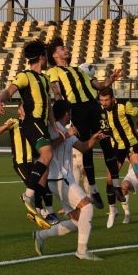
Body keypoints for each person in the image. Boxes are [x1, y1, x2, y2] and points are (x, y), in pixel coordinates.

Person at [46, 36, 124, 209]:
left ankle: (116, 185)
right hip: (77, 110)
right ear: (54, 55)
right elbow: (57, 92)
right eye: (61, 48)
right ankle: (94, 191)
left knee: (106, 144)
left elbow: (98, 85)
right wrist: (64, 112)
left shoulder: (80, 70)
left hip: (94, 107)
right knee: (87, 147)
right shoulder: (53, 71)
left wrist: (110, 80)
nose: (65, 49)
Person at [33, 100, 105, 261]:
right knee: (87, 207)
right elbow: (48, 148)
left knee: (77, 220)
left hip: (63, 179)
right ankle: (81, 251)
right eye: (70, 112)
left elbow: (83, 147)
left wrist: (94, 138)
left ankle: (41, 235)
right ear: (67, 113)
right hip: (59, 178)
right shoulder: (52, 129)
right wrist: (67, 134)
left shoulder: (66, 130)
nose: (71, 115)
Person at [0, 39, 61, 217]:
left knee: (44, 167)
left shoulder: (45, 78)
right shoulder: (25, 75)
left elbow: (47, 103)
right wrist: (0, 100)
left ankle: (40, 208)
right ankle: (29, 195)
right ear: (41, 57)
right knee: (48, 154)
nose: (47, 59)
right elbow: (10, 90)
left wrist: (54, 124)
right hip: (32, 121)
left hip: (43, 123)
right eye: (45, 56)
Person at [98, 87, 138, 228]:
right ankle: (112, 211)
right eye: (101, 100)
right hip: (117, 148)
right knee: (109, 179)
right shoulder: (100, 111)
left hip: (132, 145)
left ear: (113, 98)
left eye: (106, 100)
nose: (104, 103)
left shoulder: (124, 105)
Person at [0, 102, 59, 229]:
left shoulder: (32, 124)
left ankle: (39, 212)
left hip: (32, 161)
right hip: (20, 162)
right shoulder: (14, 121)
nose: (26, 109)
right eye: (24, 107)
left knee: (39, 186)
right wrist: (5, 127)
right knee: (32, 185)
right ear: (19, 110)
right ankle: (39, 211)